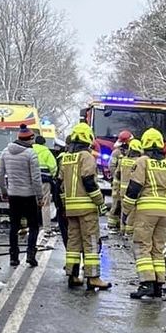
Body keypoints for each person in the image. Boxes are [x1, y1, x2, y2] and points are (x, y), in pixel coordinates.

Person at [58, 122, 112, 290]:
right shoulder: (86, 156)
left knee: (73, 243)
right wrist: (100, 203)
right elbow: (89, 181)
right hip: (87, 208)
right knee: (91, 242)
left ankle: (73, 275)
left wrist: (65, 204)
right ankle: (93, 277)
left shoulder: (66, 157)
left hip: (71, 208)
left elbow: (60, 184)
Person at [124, 129, 166, 299]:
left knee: (142, 246)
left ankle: (146, 283)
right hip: (164, 211)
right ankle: (158, 285)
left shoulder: (142, 161)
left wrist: (126, 211)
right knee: (158, 248)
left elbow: (134, 188)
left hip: (146, 210)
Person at [0, 124, 43, 267]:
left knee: (14, 227)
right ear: (28, 140)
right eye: (32, 140)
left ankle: (13, 257)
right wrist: (39, 196)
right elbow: (36, 178)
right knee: (34, 226)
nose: (33, 142)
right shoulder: (31, 154)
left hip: (13, 195)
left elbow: (0, 175)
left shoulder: (5, 152)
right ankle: (30, 254)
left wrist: (4, 192)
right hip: (28, 196)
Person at [32, 133, 58, 235]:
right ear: (44, 143)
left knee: (32, 204)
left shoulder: (30, 151)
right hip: (44, 181)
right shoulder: (46, 152)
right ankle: (46, 228)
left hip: (31, 181)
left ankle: (32, 226)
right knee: (45, 204)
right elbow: (53, 167)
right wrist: (53, 176)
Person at [107, 130, 133, 234]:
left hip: (129, 183)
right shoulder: (117, 152)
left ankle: (123, 225)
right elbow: (112, 166)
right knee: (116, 204)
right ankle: (113, 224)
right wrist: (117, 177)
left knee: (126, 205)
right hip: (118, 184)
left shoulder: (133, 151)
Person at [119, 138, 143, 238]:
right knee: (132, 213)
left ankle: (122, 229)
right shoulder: (139, 162)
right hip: (133, 190)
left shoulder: (123, 160)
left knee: (124, 210)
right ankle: (129, 231)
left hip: (122, 190)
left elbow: (117, 174)